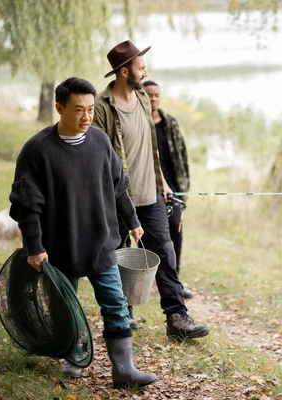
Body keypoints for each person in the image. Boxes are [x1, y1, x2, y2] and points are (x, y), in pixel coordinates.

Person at [8, 77, 158, 387]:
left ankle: (124, 369)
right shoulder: (37, 150)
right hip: (59, 246)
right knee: (66, 306)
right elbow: (28, 206)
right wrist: (34, 246)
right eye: (79, 110)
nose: (86, 117)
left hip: (101, 243)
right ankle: (73, 354)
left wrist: (132, 220)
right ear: (60, 108)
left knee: (116, 303)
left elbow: (118, 187)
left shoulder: (100, 142)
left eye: (90, 109)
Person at [92, 40, 209, 339]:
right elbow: (102, 160)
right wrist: (118, 198)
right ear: (123, 72)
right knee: (119, 255)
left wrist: (164, 184)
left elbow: (151, 147)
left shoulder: (143, 97)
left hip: (151, 195)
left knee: (166, 252)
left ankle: (176, 318)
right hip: (118, 198)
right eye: (141, 67)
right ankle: (122, 314)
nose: (145, 72)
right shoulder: (102, 107)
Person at [143, 80, 193, 299]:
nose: (153, 99)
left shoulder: (169, 123)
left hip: (172, 190)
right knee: (150, 237)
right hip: (148, 189)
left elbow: (182, 157)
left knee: (176, 233)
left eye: (156, 95)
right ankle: (143, 282)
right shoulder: (139, 124)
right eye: (148, 95)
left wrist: (182, 189)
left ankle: (175, 282)